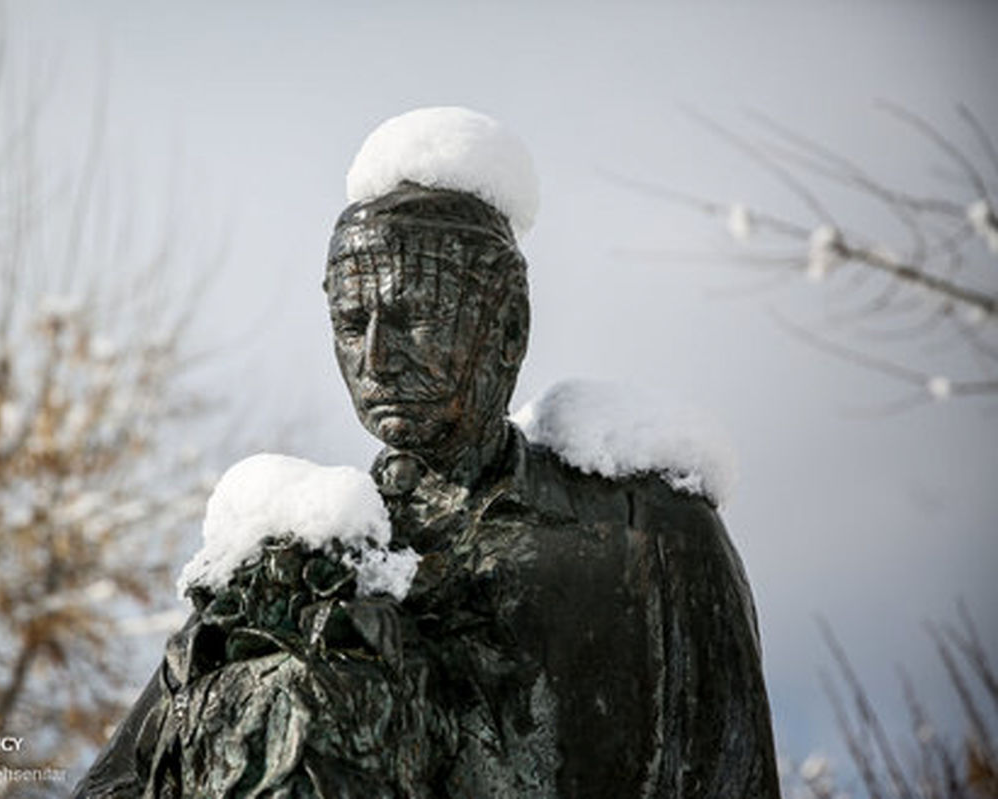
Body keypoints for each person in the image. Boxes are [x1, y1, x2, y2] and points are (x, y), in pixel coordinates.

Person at [74, 111, 781, 799]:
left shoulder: (652, 538)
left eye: (412, 316)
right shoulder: (296, 572)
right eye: (352, 324)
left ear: (509, 327)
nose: (376, 358)